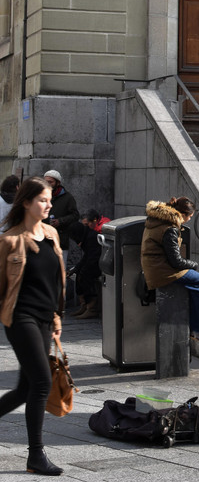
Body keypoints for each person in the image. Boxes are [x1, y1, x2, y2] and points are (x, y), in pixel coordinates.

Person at [0, 176, 67, 476]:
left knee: (24, 388)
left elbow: (55, 281)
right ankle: (35, 456)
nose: (48, 204)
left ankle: (35, 456)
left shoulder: (52, 234)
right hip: (20, 317)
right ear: (26, 202)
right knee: (41, 382)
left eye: (50, 199)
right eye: (42, 199)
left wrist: (56, 318)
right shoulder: (9, 241)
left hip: (44, 318)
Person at [140, 197, 199, 351]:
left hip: (155, 269)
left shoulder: (156, 220)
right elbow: (176, 262)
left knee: (197, 286)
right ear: (183, 214)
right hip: (163, 272)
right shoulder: (169, 229)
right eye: (189, 217)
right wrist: (193, 265)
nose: (188, 220)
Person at [42, 171, 80, 265]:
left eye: (50, 182)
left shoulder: (68, 198)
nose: (47, 184)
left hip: (60, 241)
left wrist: (60, 221)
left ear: (58, 183)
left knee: (60, 270)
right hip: (43, 240)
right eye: (45, 181)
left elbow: (75, 215)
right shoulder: (41, 196)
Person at [67, 222, 102, 319]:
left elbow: (93, 257)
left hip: (98, 263)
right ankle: (84, 305)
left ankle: (92, 308)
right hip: (93, 262)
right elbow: (86, 257)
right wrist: (76, 269)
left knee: (85, 275)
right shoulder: (86, 235)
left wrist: (82, 269)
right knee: (79, 273)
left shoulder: (90, 237)